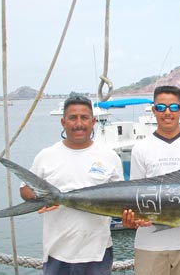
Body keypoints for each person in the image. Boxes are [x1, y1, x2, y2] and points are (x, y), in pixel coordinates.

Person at [20, 95, 124, 275]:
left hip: (97, 253)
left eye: (84, 118)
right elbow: (25, 189)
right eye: (72, 118)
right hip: (57, 252)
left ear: (93, 121)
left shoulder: (110, 156)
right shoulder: (46, 156)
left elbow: (121, 199)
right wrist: (41, 198)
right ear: (63, 122)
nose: (79, 123)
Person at [122, 85, 180, 275]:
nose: (167, 113)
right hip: (149, 245)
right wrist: (131, 219)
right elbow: (134, 196)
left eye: (173, 107)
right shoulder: (141, 148)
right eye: (161, 108)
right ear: (154, 110)